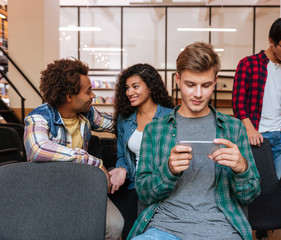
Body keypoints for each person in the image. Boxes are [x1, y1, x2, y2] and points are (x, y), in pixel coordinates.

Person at [127, 42, 260, 240]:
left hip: (221, 229)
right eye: (190, 85)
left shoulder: (234, 128)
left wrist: (242, 168)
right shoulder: (155, 130)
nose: (198, 94)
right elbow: (144, 194)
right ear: (178, 80)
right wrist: (169, 171)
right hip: (165, 229)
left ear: (215, 82)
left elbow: (249, 195)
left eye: (206, 85)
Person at [23, 59, 124, 240]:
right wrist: (93, 162)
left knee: (115, 226)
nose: (92, 95)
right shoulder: (38, 117)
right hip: (49, 191)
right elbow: (38, 149)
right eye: (88, 91)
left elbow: (115, 125)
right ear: (69, 96)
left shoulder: (87, 113)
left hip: (82, 185)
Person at [232, 18, 281, 180]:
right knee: (256, 183)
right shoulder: (248, 64)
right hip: (257, 135)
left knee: (276, 185)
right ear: (271, 41)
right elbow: (238, 102)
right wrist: (250, 129)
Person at [109, 63, 174, 238]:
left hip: (161, 187)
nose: (130, 92)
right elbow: (123, 156)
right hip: (133, 185)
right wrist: (122, 168)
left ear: (150, 87)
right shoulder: (125, 119)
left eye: (135, 86)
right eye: (127, 88)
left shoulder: (171, 116)